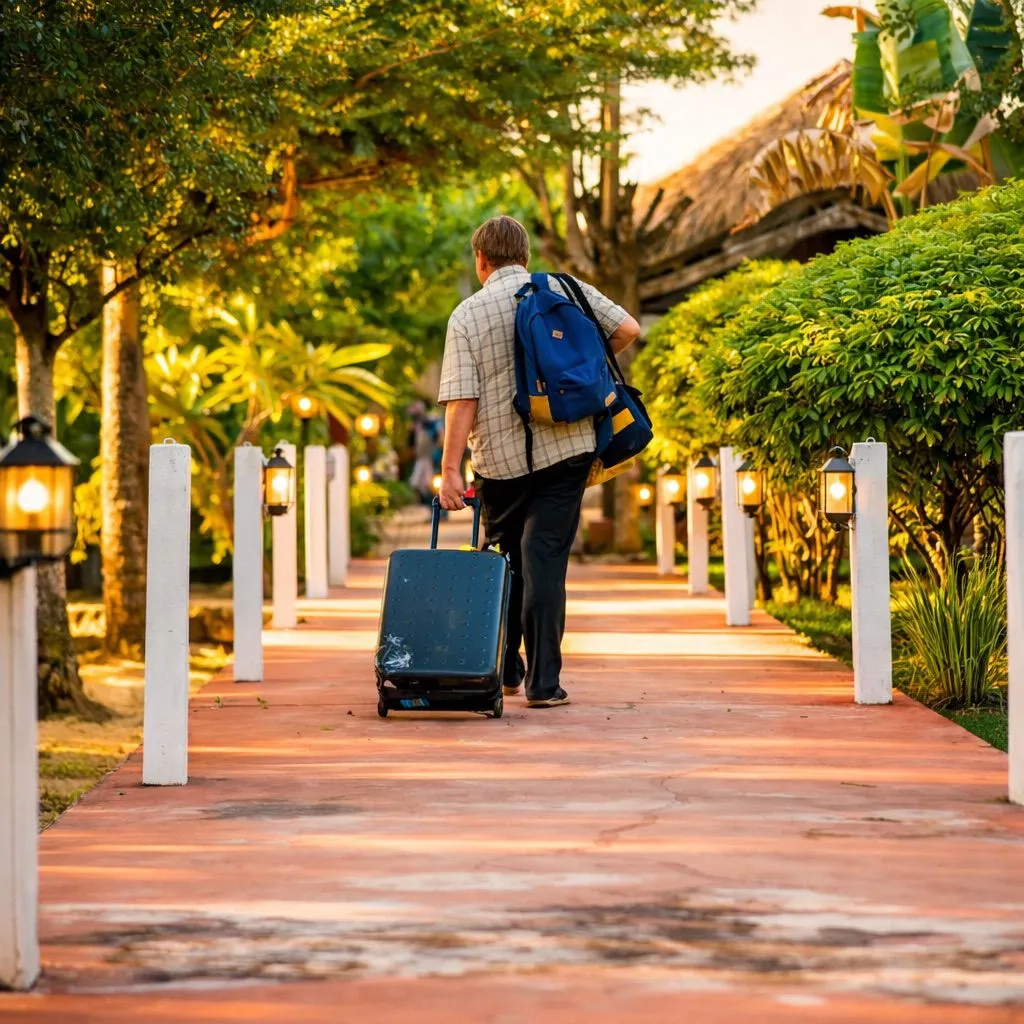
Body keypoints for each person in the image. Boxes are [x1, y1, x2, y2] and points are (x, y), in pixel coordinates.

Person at [437, 215, 640, 707]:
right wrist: (581, 370)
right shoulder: (565, 290)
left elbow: (462, 400)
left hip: (499, 462)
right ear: (525, 256)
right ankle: (544, 685)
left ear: (481, 260)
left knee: (506, 560)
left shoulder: (466, 315)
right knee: (544, 559)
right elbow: (628, 328)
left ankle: (507, 670)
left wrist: (449, 471)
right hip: (567, 449)